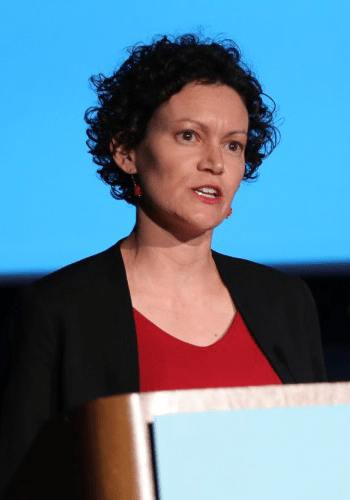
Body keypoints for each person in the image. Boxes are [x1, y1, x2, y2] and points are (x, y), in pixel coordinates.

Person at [0, 34, 327, 496]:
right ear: (126, 151)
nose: (214, 162)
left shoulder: (285, 302)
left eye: (233, 145)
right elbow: (20, 483)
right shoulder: (58, 311)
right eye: (188, 136)